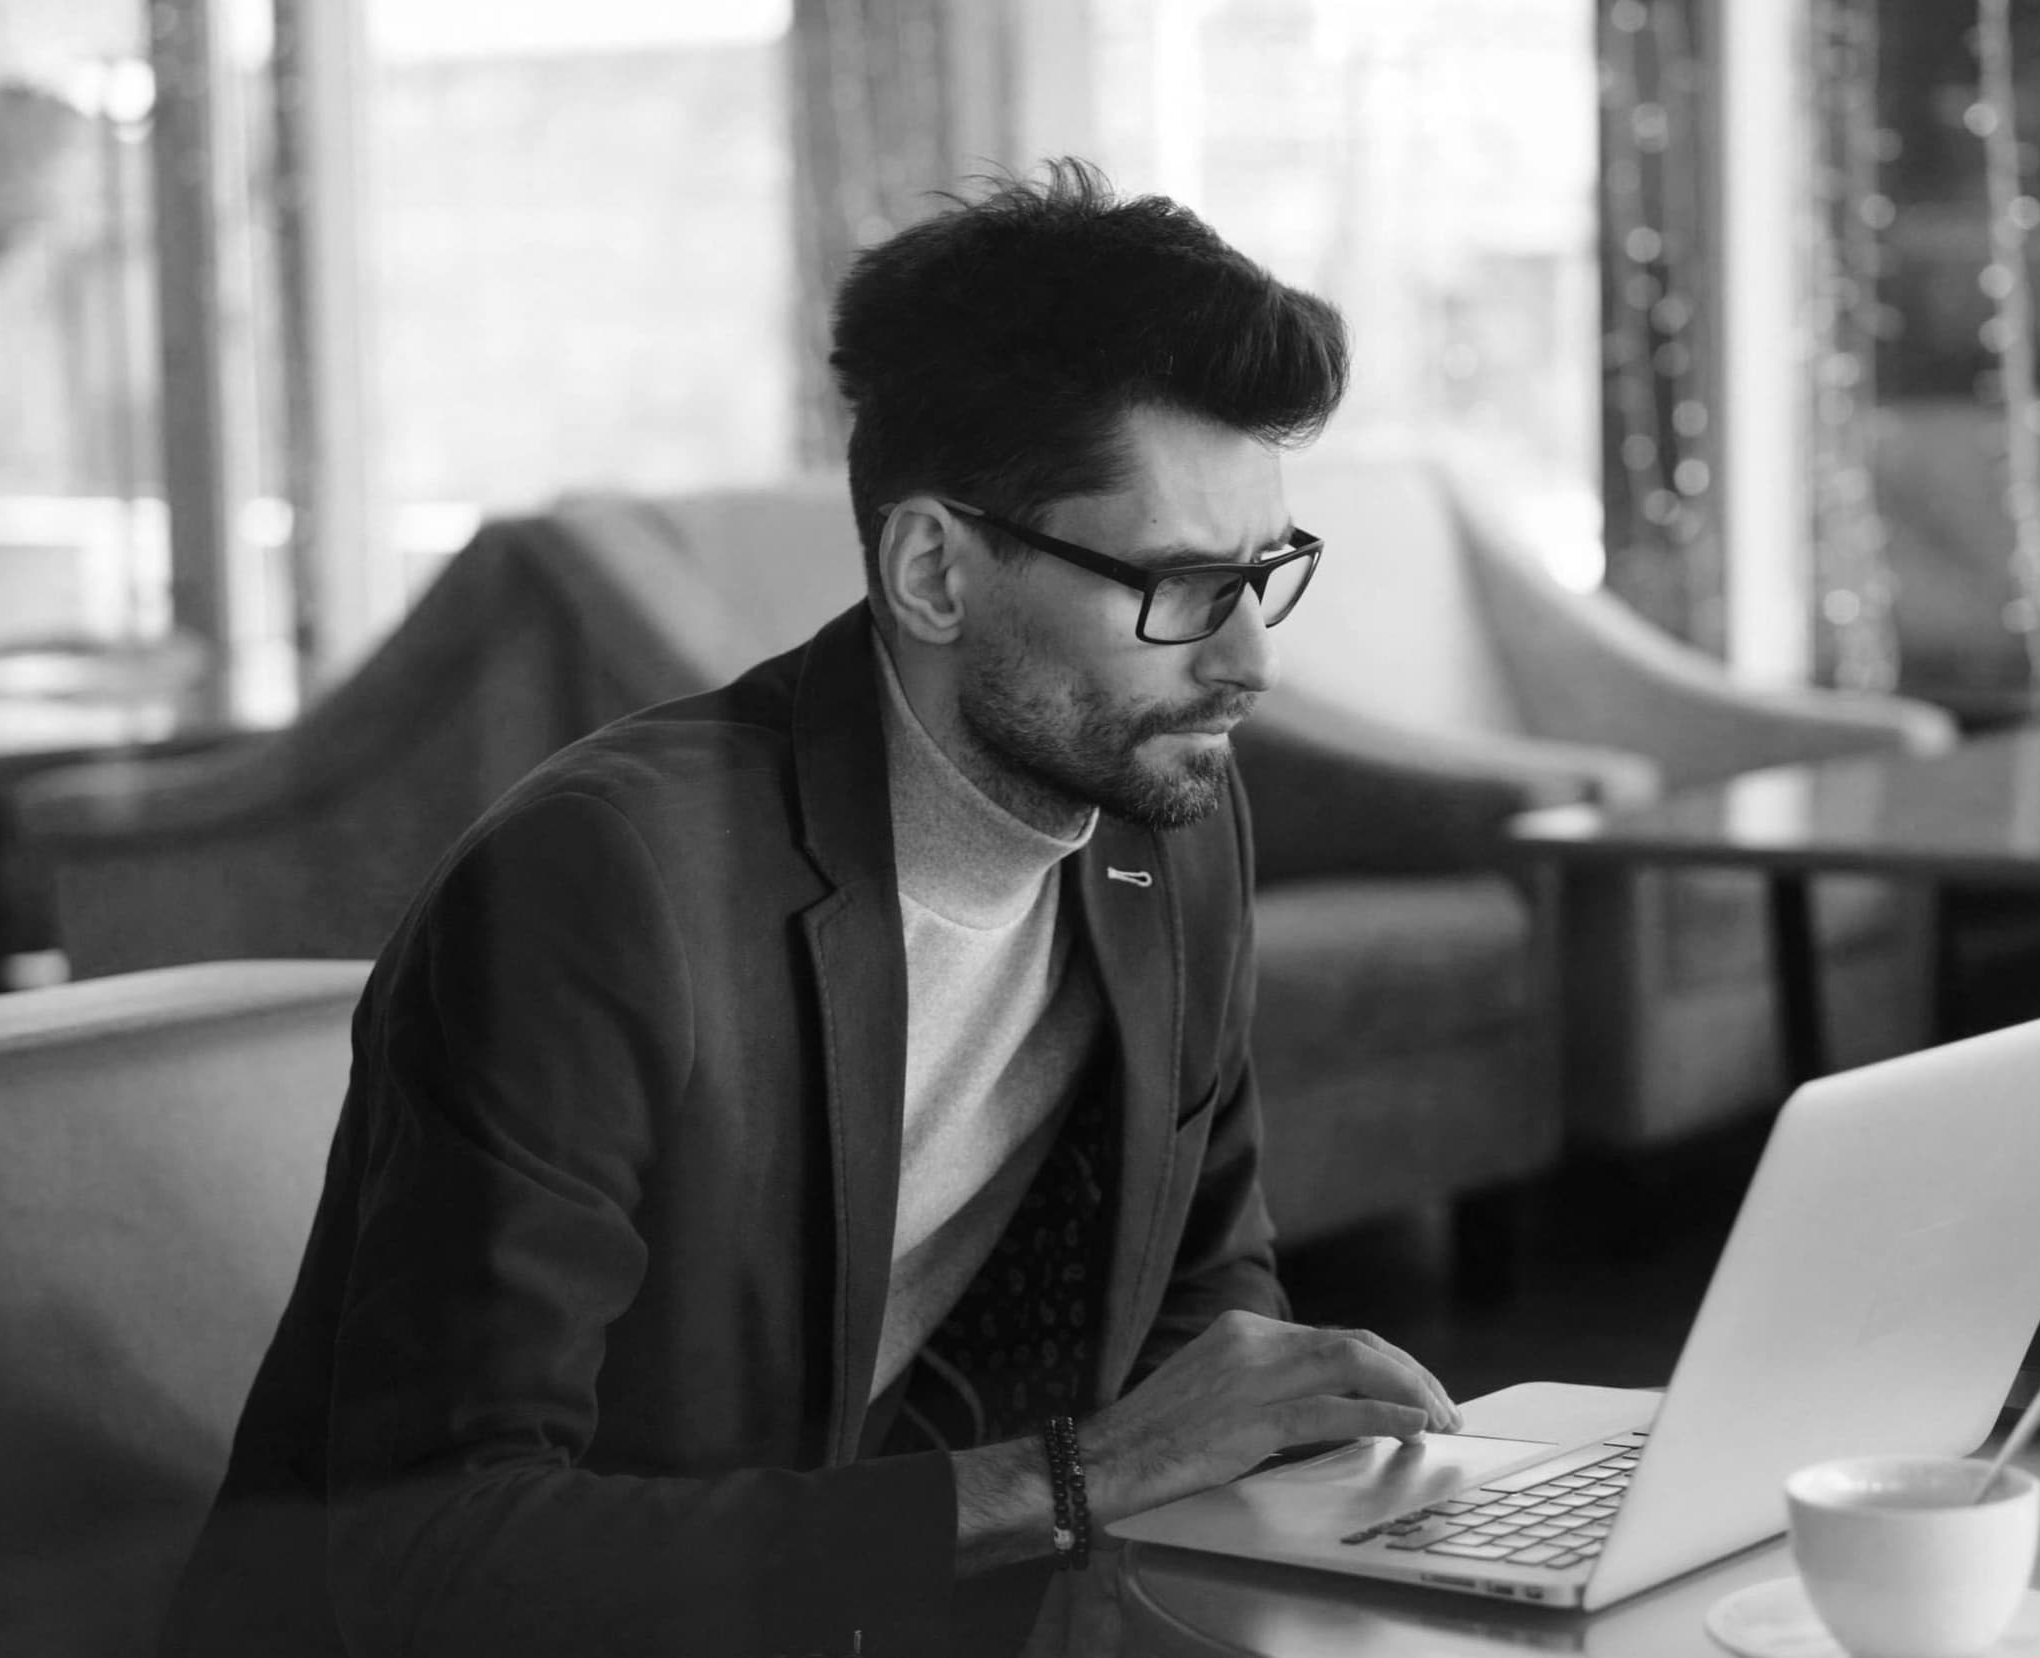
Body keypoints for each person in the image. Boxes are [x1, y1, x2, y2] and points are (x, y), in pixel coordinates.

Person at [156, 161, 1461, 1658]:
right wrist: (1080, 1481)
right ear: (931, 569)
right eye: (1174, 585)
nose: (1247, 664)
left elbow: (1201, 1297)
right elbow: (435, 1550)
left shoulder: (1168, 818)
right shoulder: (600, 888)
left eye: (1261, 574)